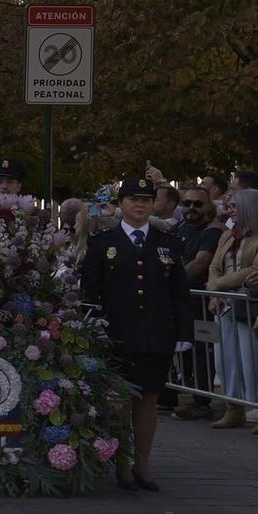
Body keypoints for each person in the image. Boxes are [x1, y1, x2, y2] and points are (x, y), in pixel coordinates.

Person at [80, 177, 193, 490]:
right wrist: (92, 329)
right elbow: (89, 292)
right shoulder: (103, 243)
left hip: (157, 332)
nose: (140, 205)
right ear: (121, 204)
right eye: (133, 199)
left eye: (146, 199)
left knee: (148, 399)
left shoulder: (168, 242)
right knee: (117, 400)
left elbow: (179, 293)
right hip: (116, 332)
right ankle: (121, 462)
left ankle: (143, 463)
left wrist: (184, 331)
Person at [206, 187, 258, 430]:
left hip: (250, 305)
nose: (229, 211)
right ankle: (232, 407)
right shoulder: (229, 235)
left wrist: (218, 284)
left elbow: (257, 269)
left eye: (235, 206)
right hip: (225, 305)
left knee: (254, 359)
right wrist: (214, 290)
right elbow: (215, 264)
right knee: (225, 360)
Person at [168, 185, 223, 420]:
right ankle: (184, 393)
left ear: (209, 206)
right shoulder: (181, 227)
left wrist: (173, 281)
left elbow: (200, 264)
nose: (191, 208)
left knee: (202, 352)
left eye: (197, 204)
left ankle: (202, 401)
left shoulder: (211, 232)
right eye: (187, 203)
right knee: (185, 351)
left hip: (201, 302)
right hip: (183, 302)